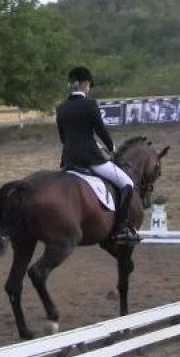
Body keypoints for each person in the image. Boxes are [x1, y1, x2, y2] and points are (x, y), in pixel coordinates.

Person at [56, 66, 139, 242]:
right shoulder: (90, 105)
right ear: (85, 84)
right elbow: (101, 131)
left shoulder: (61, 108)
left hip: (69, 160)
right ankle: (122, 227)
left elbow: (63, 138)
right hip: (91, 160)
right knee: (127, 183)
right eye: (89, 85)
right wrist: (110, 147)